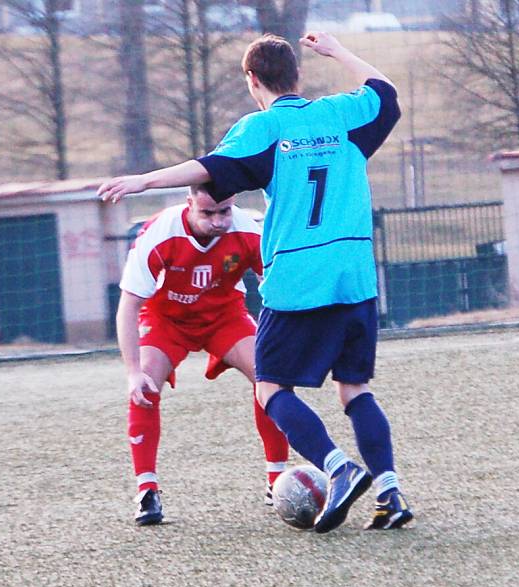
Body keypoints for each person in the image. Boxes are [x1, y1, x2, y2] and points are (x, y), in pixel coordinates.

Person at [99, 32, 413, 533]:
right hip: (355, 272)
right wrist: (338, 52)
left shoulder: (262, 128)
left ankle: (338, 466)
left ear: (252, 80)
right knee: (354, 388)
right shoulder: (342, 114)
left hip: (297, 278)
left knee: (270, 387)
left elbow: (205, 169)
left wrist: (142, 180)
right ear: (298, 76)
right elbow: (386, 90)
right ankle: (391, 493)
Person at [115, 184, 289, 525]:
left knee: (270, 376)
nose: (217, 221)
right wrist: (133, 372)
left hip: (224, 315)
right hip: (166, 319)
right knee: (145, 387)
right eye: (207, 213)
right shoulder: (159, 233)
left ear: (233, 203)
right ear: (189, 203)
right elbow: (128, 307)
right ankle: (147, 491)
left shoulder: (246, 230)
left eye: (224, 212)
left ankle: (277, 480)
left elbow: (277, 285)